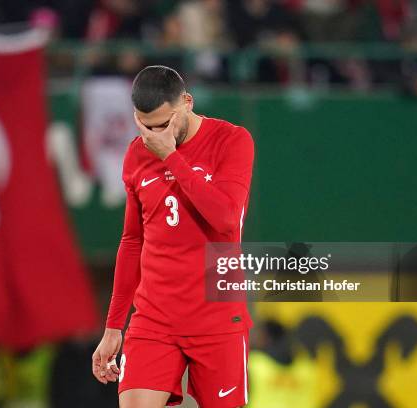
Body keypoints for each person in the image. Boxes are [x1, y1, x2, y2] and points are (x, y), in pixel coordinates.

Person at [92, 65, 255, 408]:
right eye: (144, 125)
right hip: (155, 318)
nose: (154, 136)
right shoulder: (137, 153)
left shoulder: (232, 140)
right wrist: (113, 327)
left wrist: (171, 158)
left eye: (164, 125)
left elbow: (225, 219)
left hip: (216, 317)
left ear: (187, 102)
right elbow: (132, 241)